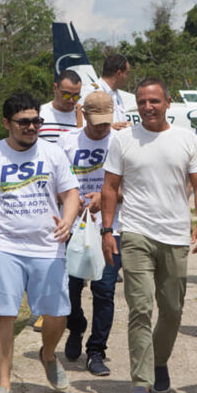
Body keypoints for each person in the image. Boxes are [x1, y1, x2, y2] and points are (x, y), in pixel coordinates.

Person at [100, 78, 197, 393]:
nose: (148, 107)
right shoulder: (122, 139)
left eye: (154, 101)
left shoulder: (187, 139)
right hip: (135, 233)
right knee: (140, 308)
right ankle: (142, 380)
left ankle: (159, 360)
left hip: (175, 235)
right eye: (142, 102)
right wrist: (108, 230)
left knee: (173, 309)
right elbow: (109, 187)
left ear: (167, 102)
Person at [0, 92, 80, 393]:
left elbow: (71, 194)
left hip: (48, 245)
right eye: (24, 122)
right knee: (3, 314)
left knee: (57, 313)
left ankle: (48, 354)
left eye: (36, 121)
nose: (32, 127)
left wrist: (68, 221)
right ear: (7, 123)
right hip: (3, 245)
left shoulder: (53, 154)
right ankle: (3, 384)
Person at [57, 91, 123, 376]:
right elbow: (55, 181)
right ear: (83, 114)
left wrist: (107, 197)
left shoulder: (120, 142)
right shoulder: (66, 142)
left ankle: (96, 351)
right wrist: (71, 198)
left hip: (110, 227)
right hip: (72, 225)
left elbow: (131, 186)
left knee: (104, 290)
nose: (102, 128)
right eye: (97, 123)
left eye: (107, 123)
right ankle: (76, 325)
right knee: (70, 288)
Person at [80, 53, 131, 130]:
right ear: (119, 73)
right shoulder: (90, 91)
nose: (127, 77)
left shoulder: (116, 94)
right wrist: (109, 129)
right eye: (126, 73)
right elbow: (80, 124)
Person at [39, 69, 84, 143]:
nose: (71, 100)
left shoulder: (84, 117)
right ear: (55, 88)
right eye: (66, 95)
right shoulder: (40, 113)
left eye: (76, 96)